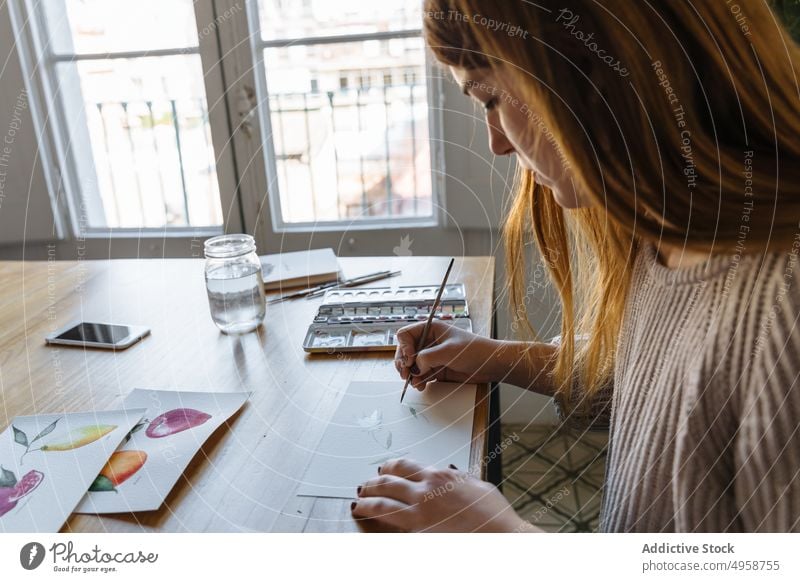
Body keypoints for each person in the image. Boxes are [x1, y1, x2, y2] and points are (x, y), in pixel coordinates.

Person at [350, 0, 800, 533]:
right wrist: (496, 358)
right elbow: (662, 404)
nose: (496, 142)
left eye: (490, 98)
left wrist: (510, 541)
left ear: (590, 75)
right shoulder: (664, 242)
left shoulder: (783, 308)